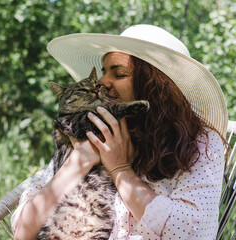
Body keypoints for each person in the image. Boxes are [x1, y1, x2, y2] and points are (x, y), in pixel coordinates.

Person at [11, 24, 228, 239]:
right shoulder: (89, 135)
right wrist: (79, 161)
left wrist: (121, 169)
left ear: (156, 86)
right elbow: (23, 230)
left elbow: (190, 232)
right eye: (104, 71)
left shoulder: (201, 144)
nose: (103, 81)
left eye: (120, 73)